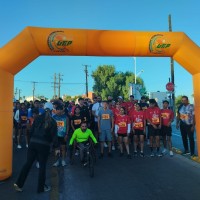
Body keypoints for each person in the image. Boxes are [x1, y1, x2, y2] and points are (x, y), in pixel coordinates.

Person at [14, 102, 57, 193]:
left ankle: (18, 184)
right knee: (42, 167)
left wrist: (32, 141)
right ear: (52, 109)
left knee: (28, 163)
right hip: (44, 145)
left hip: (33, 143)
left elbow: (31, 131)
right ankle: (41, 188)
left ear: (43, 108)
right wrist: (56, 147)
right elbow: (54, 137)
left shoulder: (37, 118)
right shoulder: (53, 121)